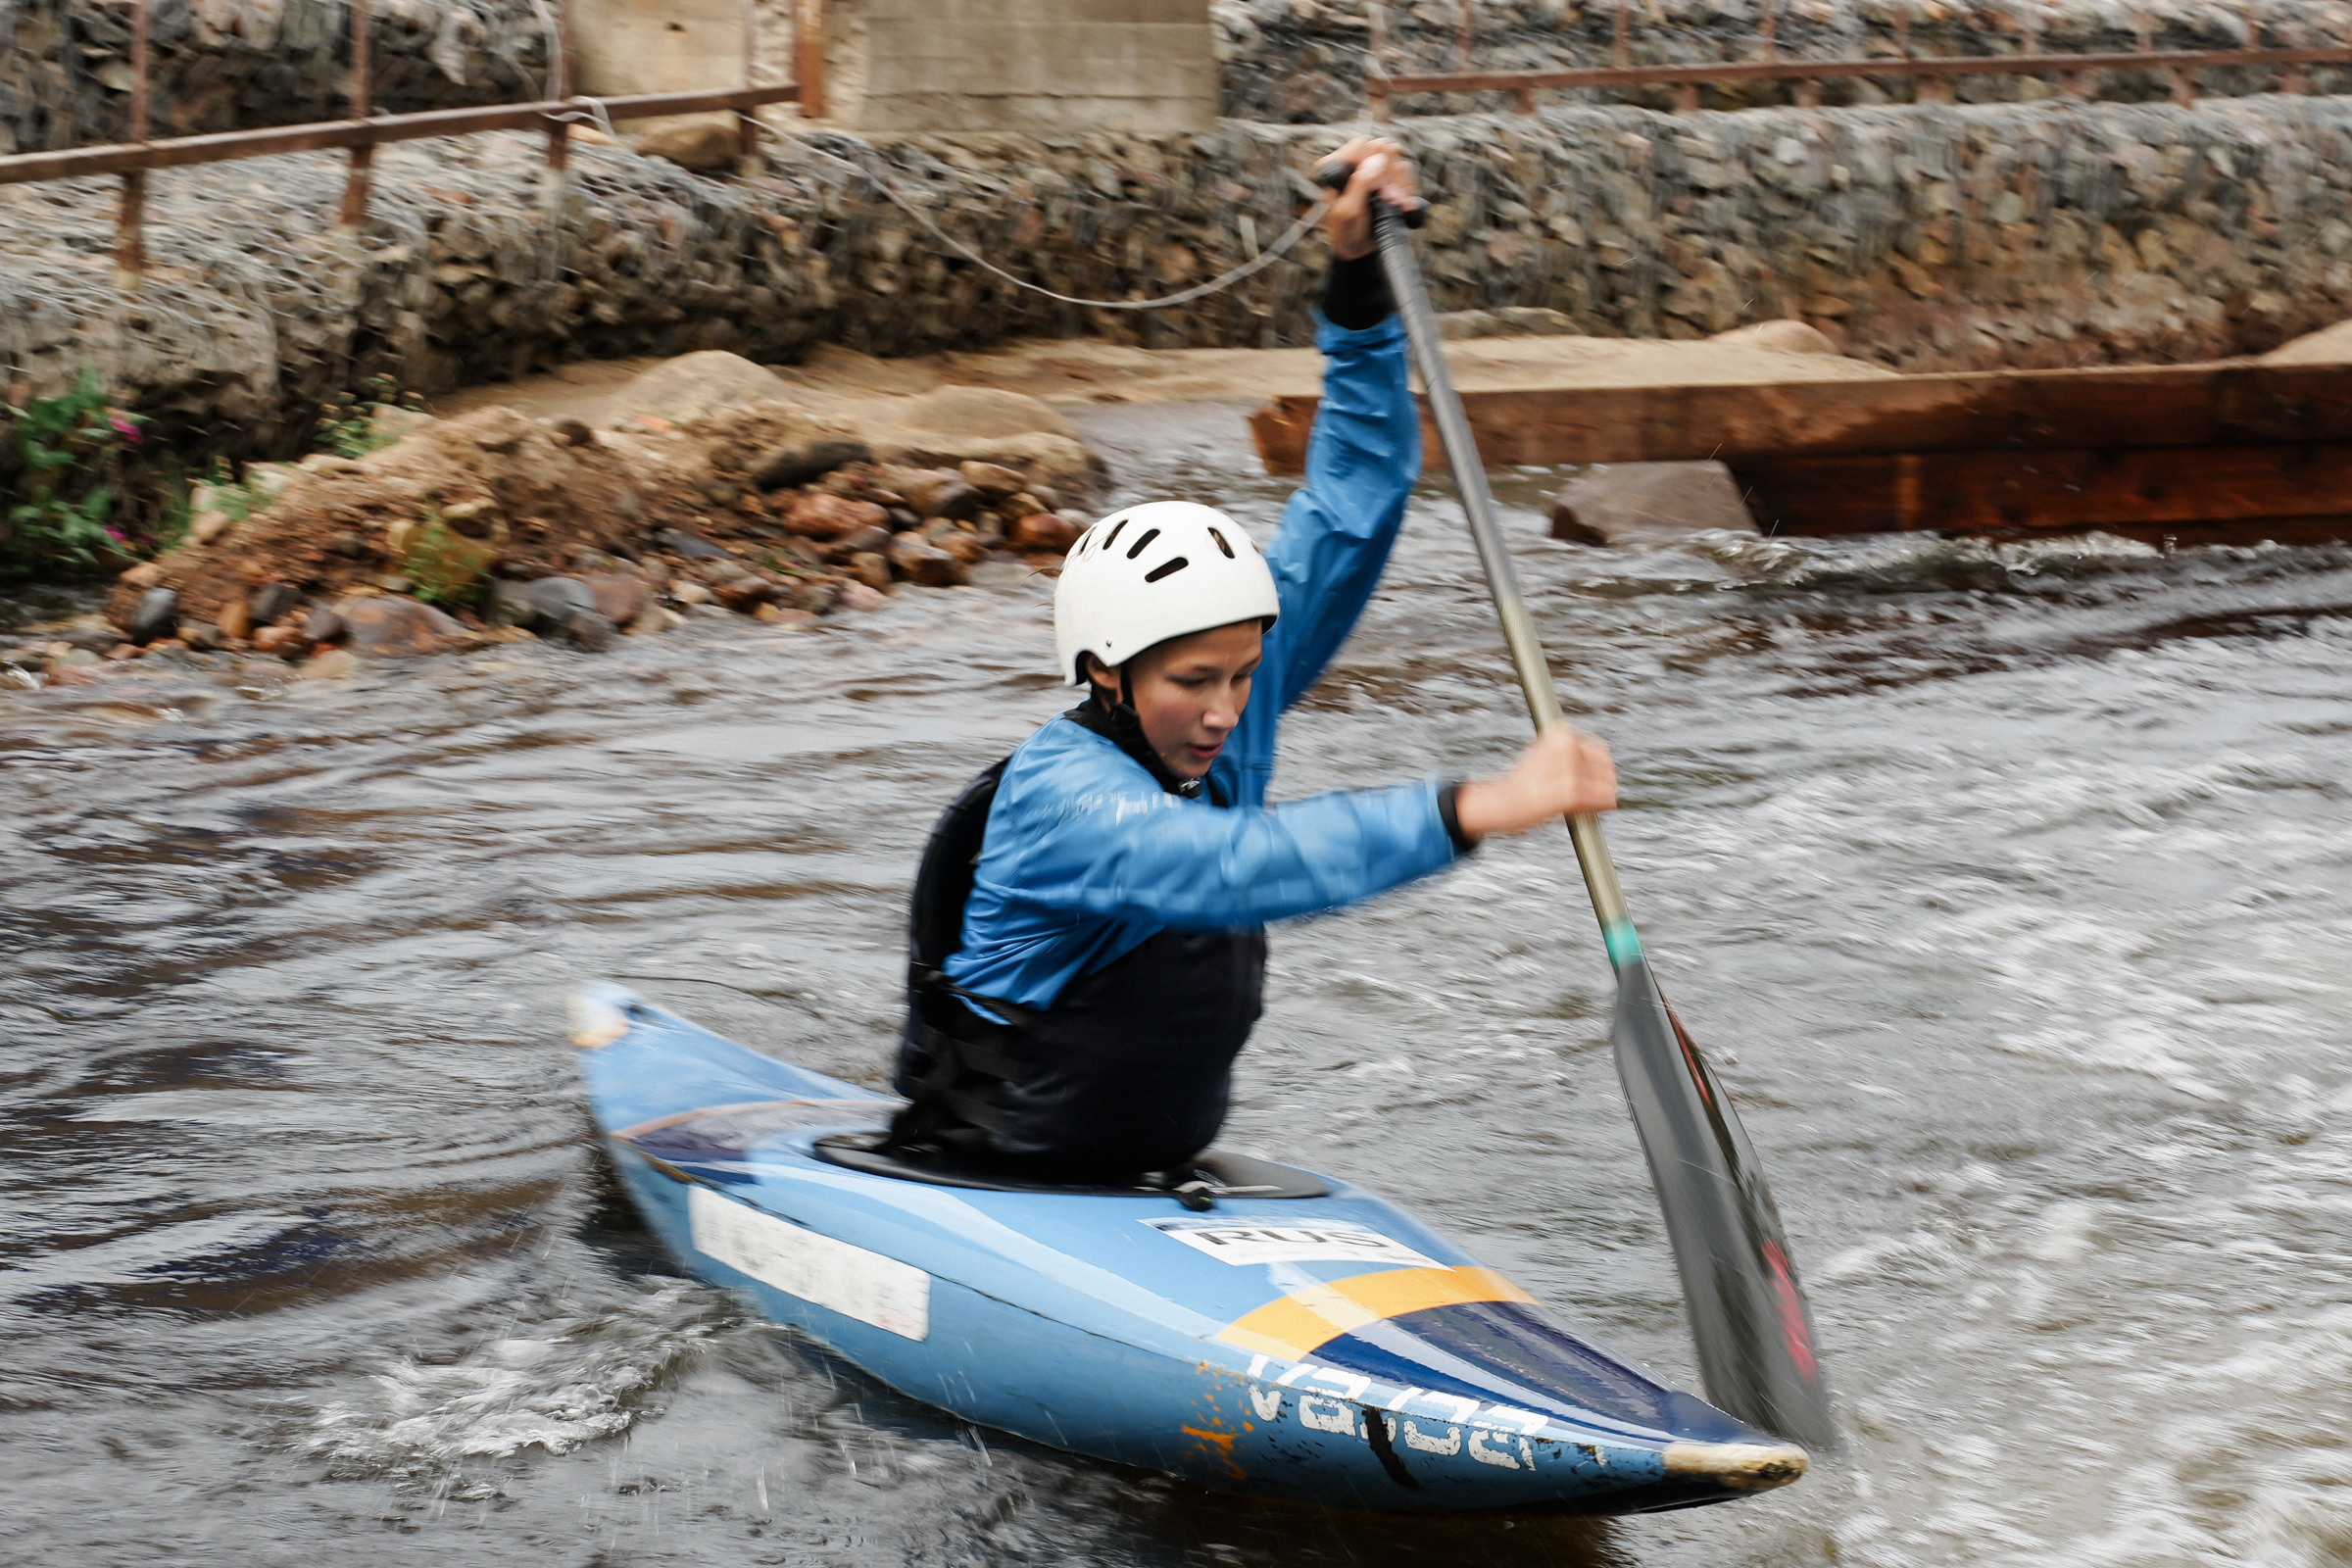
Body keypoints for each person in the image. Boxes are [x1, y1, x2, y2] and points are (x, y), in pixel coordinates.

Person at [890, 137, 1617, 1179]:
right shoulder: (1063, 795)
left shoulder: (1214, 710)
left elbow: (1352, 503)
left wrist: (1359, 287)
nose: (1232, 710)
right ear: (1105, 671)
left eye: (1243, 673)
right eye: (1195, 681)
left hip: (1145, 1174)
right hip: (991, 1172)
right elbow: (1225, 869)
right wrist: (1468, 807)